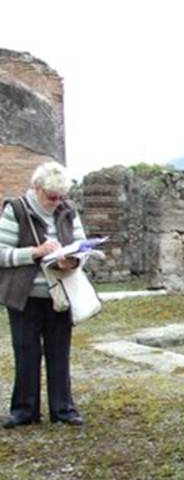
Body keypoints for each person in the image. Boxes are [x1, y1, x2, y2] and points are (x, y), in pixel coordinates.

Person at [0, 161, 86, 427]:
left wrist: (73, 260)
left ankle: (63, 409)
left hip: (59, 294)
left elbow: (81, 245)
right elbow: (2, 254)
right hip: (24, 296)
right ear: (37, 189)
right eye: (51, 197)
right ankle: (24, 410)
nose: (56, 202)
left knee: (59, 352)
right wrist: (35, 253)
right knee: (26, 352)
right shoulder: (16, 210)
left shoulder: (67, 211)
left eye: (61, 197)